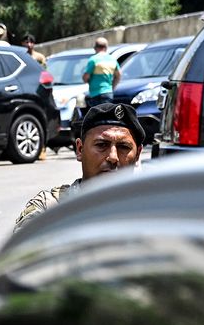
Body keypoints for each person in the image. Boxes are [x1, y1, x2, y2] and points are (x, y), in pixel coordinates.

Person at [16, 102, 144, 228]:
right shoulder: (49, 207)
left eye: (123, 147)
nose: (113, 157)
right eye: (101, 145)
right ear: (80, 149)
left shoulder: (153, 206)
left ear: (137, 153)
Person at [81, 37, 121, 110]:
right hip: (108, 93)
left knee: (97, 117)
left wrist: (87, 80)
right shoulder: (112, 59)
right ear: (106, 47)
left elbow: (86, 77)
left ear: (95, 48)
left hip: (95, 94)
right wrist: (112, 88)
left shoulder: (93, 60)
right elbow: (118, 76)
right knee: (107, 116)